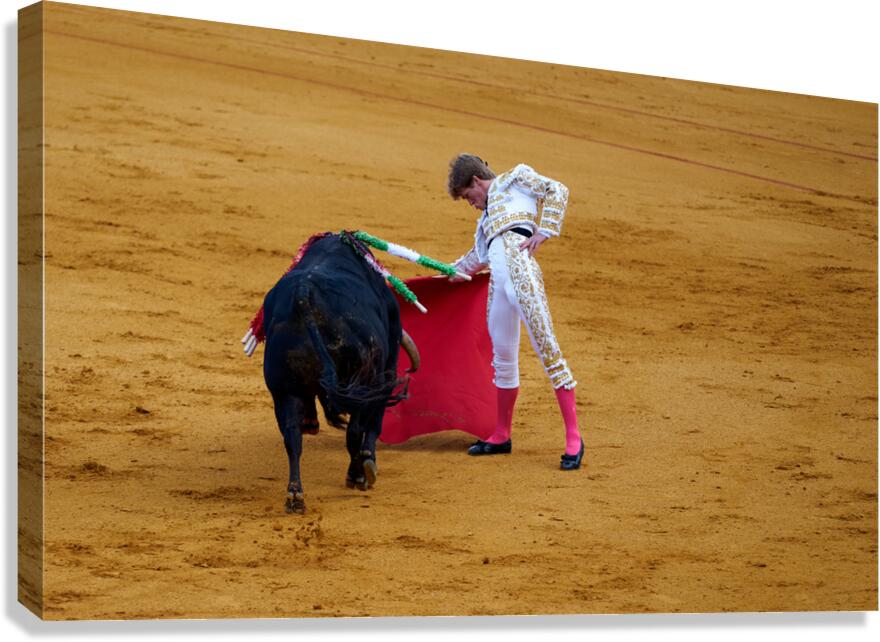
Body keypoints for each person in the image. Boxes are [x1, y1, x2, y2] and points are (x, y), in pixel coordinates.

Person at [446, 153, 584, 470]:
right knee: (503, 359)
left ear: (476, 181)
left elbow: (557, 190)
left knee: (547, 348)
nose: (472, 204)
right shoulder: (485, 224)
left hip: (523, 276)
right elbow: (474, 261)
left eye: (469, 197)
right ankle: (501, 434)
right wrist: (443, 273)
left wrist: (545, 230)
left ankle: (574, 438)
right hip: (499, 287)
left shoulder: (515, 178)